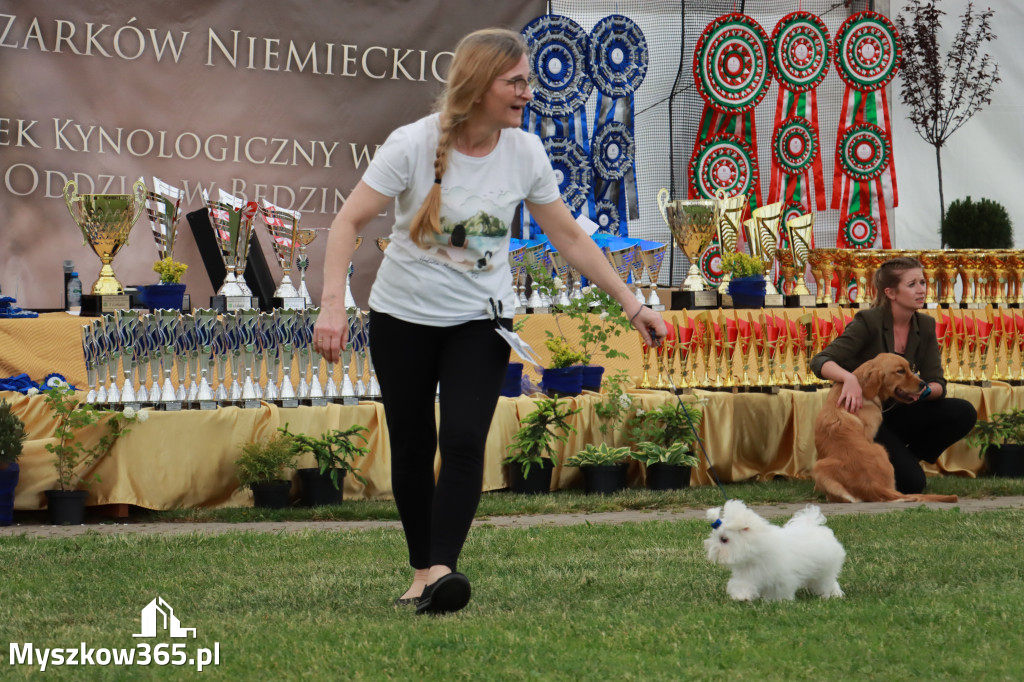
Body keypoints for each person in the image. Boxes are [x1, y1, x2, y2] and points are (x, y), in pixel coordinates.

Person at [312, 28, 667, 615]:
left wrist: (633, 305)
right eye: (516, 81)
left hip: (481, 322)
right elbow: (347, 222)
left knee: (462, 439)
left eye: (527, 80)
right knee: (412, 441)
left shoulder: (524, 151)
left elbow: (570, 237)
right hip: (402, 319)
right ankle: (422, 569)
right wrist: (332, 304)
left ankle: (444, 571)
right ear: (480, 86)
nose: (528, 92)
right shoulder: (412, 144)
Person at [810, 256, 977, 495]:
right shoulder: (868, 322)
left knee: (963, 412)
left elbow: (937, 383)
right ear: (890, 292)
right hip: (867, 419)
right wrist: (849, 380)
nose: (922, 290)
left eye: (922, 282)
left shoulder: (926, 326)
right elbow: (820, 361)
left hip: (901, 412)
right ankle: (898, 463)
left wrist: (923, 391)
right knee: (913, 485)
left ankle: (908, 458)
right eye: (912, 285)